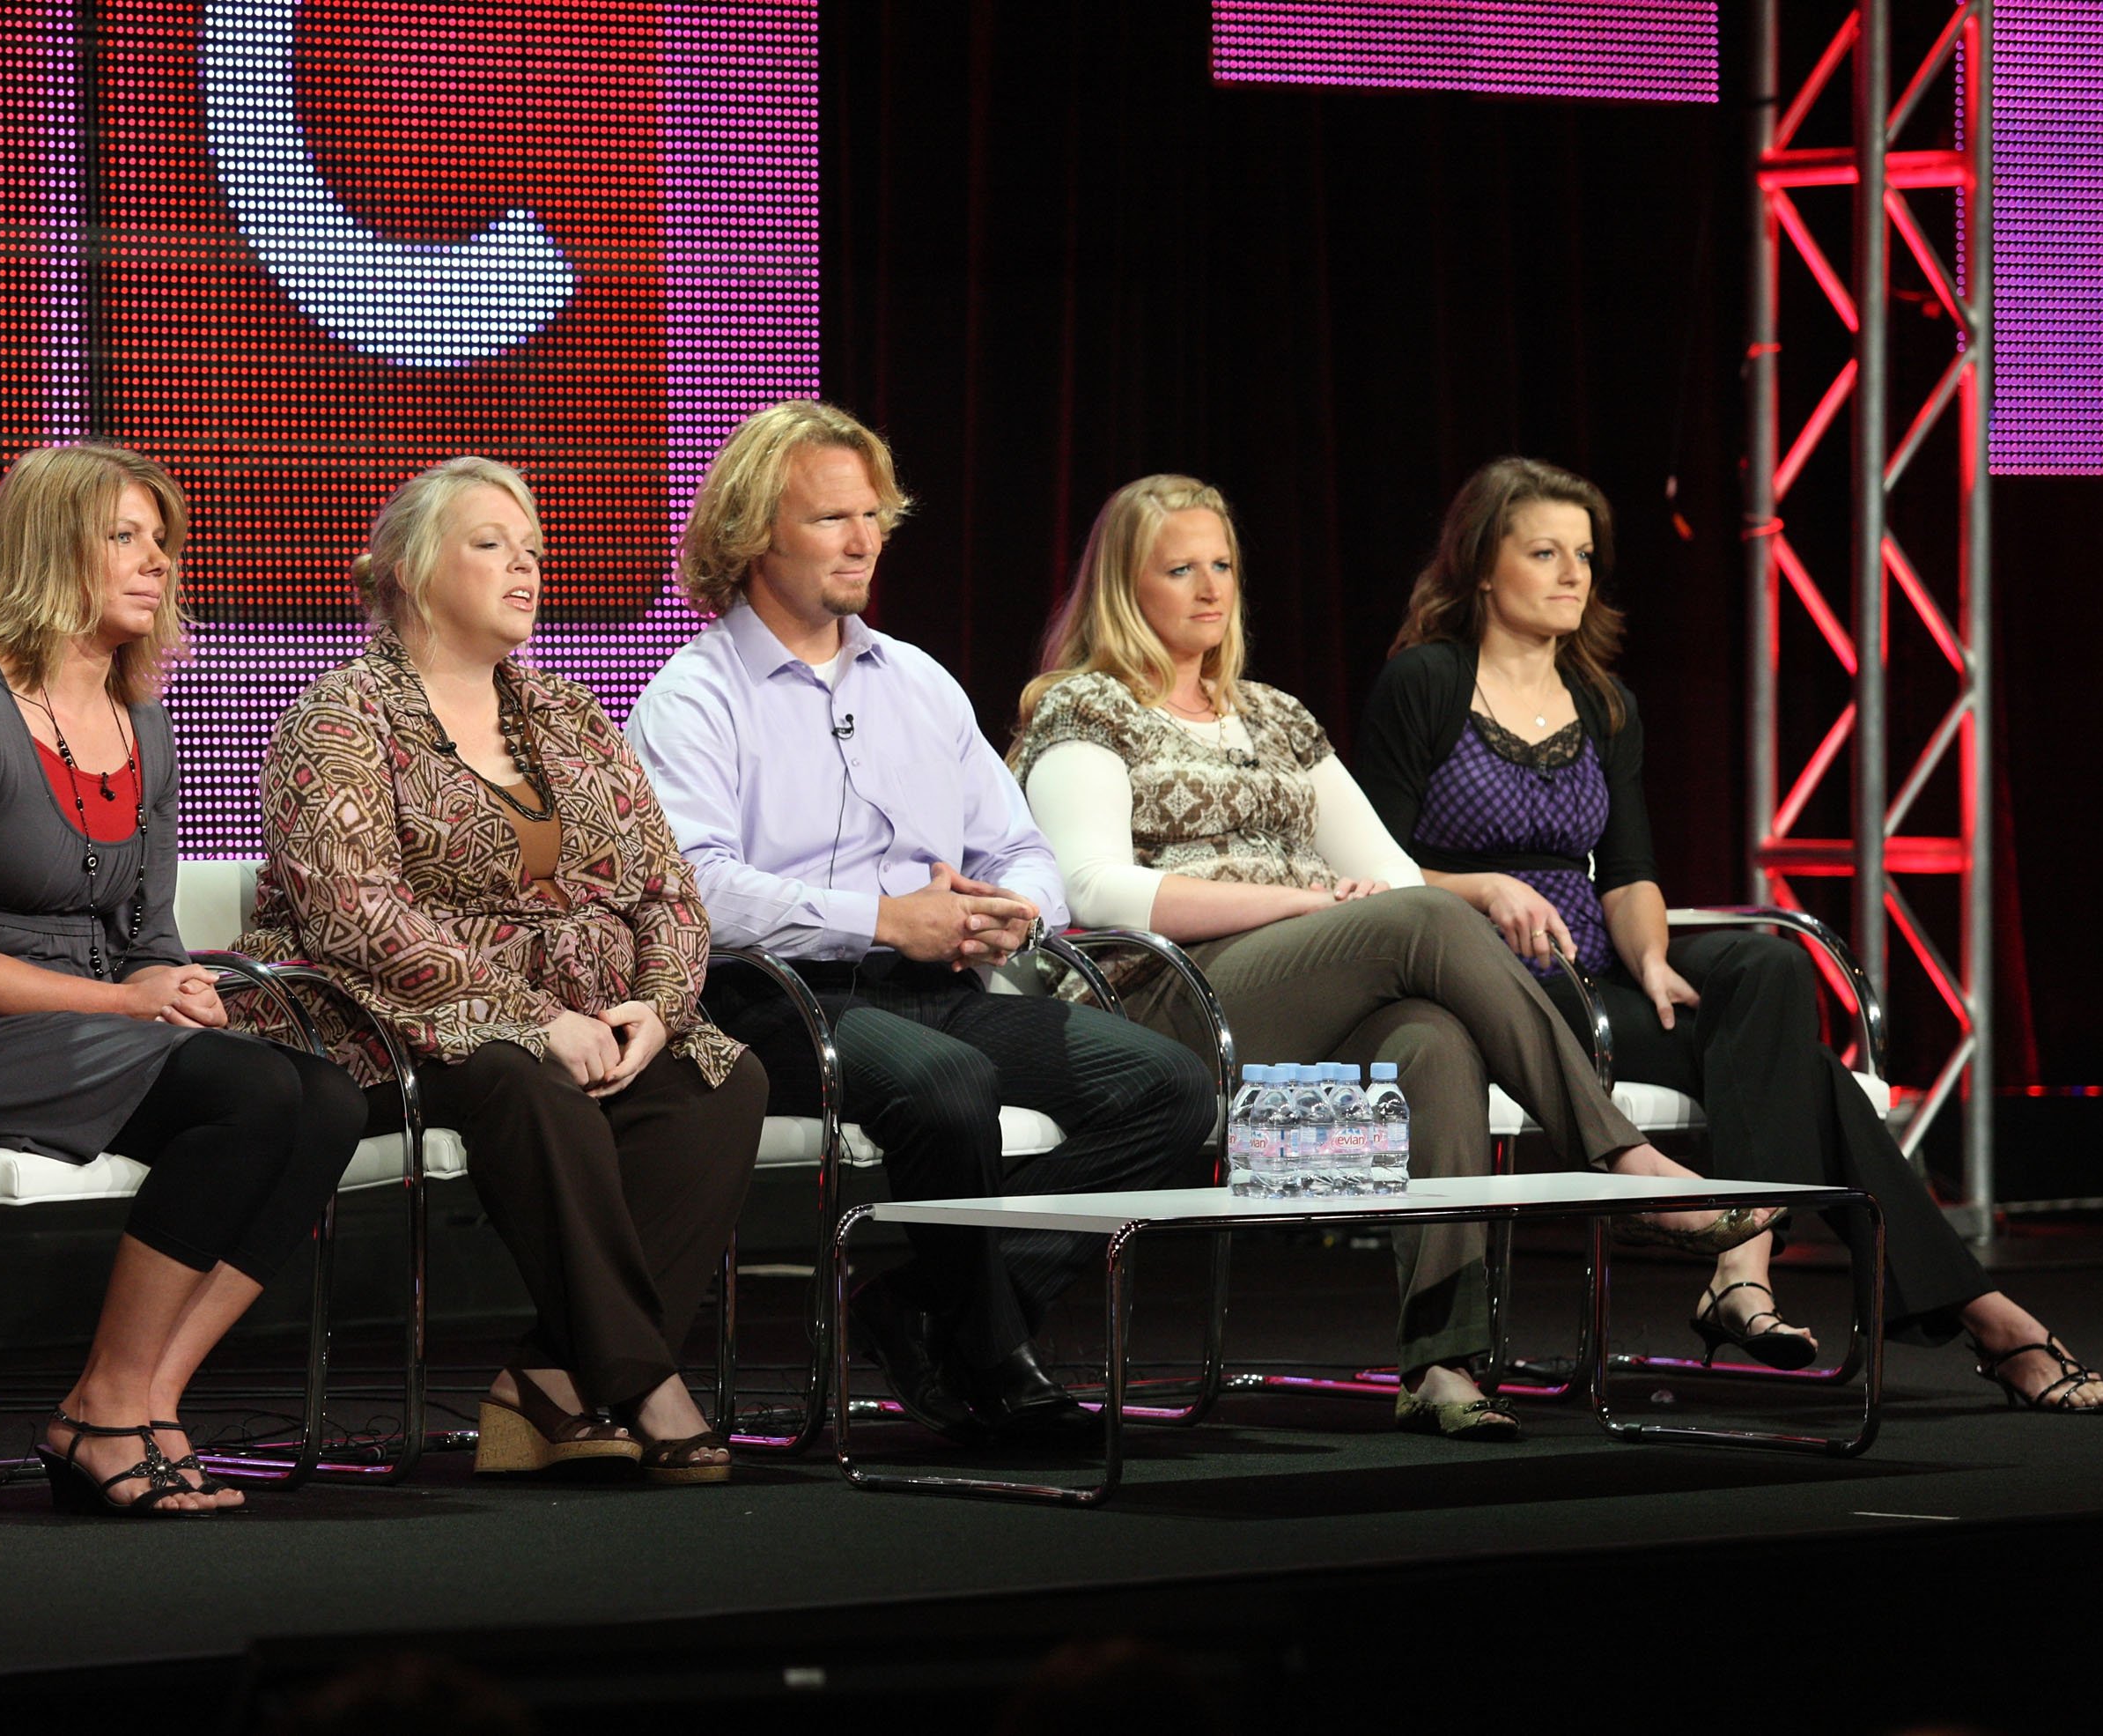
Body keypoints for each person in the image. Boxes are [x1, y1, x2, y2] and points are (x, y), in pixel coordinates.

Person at [1008, 474, 1784, 1441]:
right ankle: (1620, 1160)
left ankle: (1442, 1365)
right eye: (1180, 569)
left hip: (1300, 998)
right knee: (1416, 925)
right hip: (1164, 1007)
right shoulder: (1086, 709)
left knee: (1433, 1038)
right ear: (1127, 587)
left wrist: (1386, 902)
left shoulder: (1278, 718)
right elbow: (1094, 892)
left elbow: (1385, 872)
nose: (1210, 589)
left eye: (1223, 566)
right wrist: (1300, 901)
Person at [1354, 454, 2103, 1413]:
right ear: (1479, 567)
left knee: (1761, 963)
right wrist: (1483, 890)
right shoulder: (1425, 683)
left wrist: (1652, 962)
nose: (1572, 576)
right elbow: (1369, 869)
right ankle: (1984, 1317)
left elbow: (1631, 873)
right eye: (1544, 553)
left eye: (1584, 556)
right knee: (1816, 1079)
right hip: (1491, 983)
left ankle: (1744, 1261)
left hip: (1600, 976)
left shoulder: (1601, 700)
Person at [622, 401, 1220, 1446]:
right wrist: (883, 921)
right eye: (832, 521)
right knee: (950, 1087)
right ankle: (994, 1362)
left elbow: (1024, 850)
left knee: (1167, 1085)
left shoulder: (917, 682)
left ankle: (931, 1307)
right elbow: (699, 893)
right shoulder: (694, 698)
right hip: (775, 1003)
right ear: (755, 533)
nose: (864, 543)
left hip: (942, 989)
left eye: (875, 519)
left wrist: (1015, 911)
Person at [0, 442, 366, 1516]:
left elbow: (147, 932)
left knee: (325, 1100)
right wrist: (131, 1000)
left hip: (80, 1031)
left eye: (161, 541)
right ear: (47, 552)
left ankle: (143, 1400)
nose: (155, 562)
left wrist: (176, 985)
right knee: (249, 1098)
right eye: (123, 537)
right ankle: (107, 1405)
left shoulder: (140, 721)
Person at [239, 457, 764, 1485]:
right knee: (536, 1089)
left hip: (581, 1011)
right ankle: (648, 1386)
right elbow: (354, 915)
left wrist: (655, 1010)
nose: (524, 567)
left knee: (721, 1077)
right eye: (491, 545)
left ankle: (551, 1382)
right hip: (388, 1016)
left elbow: (665, 891)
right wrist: (526, 1018)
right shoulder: (341, 719)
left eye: (533, 551)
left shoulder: (570, 716)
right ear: (408, 569)